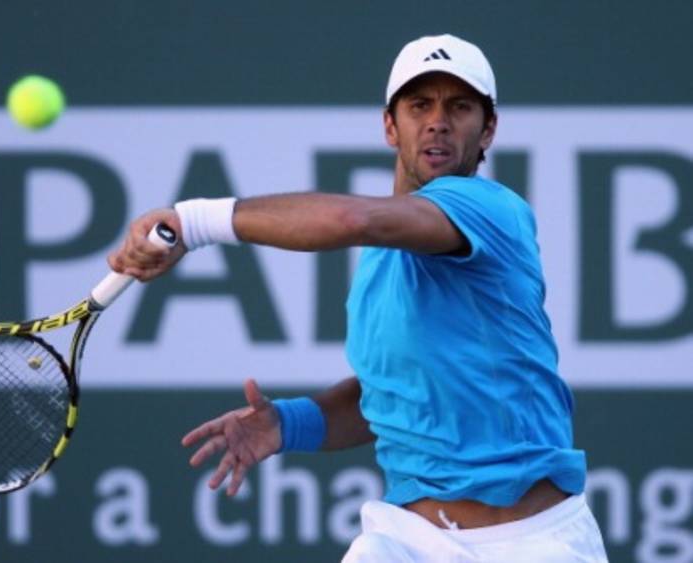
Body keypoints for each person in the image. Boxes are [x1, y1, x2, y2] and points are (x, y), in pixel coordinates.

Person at [108, 34, 608, 562]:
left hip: (532, 543)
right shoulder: (380, 263)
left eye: (460, 107)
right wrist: (288, 423)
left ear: (488, 131)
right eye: (420, 106)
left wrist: (194, 222)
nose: (438, 122)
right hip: (410, 542)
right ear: (390, 126)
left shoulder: (489, 208)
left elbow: (352, 218)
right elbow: (396, 394)